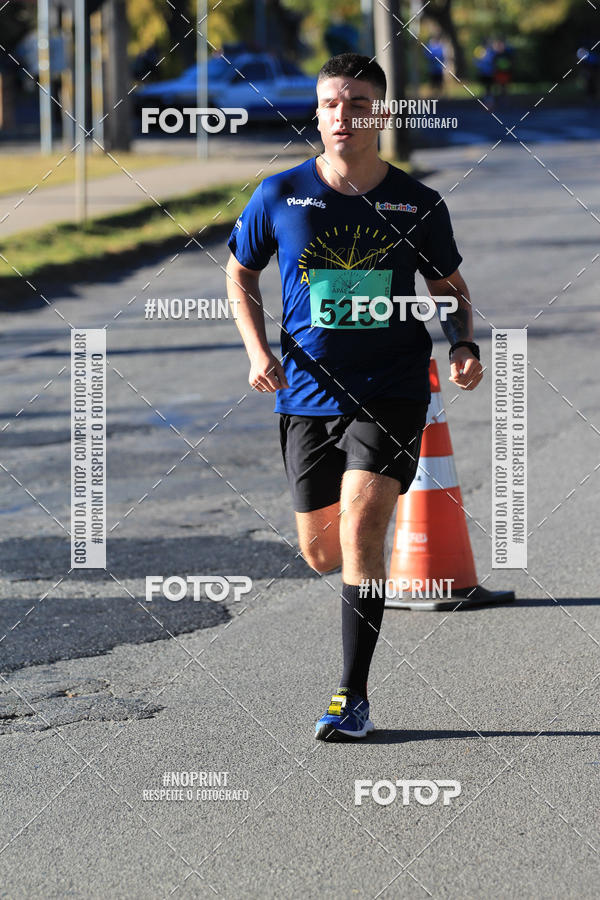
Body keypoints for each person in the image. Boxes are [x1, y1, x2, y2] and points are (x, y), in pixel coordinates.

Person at [225, 53, 483, 741]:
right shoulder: (279, 195)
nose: (344, 115)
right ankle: (359, 589)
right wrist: (258, 351)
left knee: (365, 524)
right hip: (306, 393)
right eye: (333, 103)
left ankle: (352, 697)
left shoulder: (417, 203)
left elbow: (450, 289)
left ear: (382, 113)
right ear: (317, 113)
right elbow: (239, 273)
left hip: (391, 388)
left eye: (359, 103)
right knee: (323, 552)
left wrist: (462, 345)